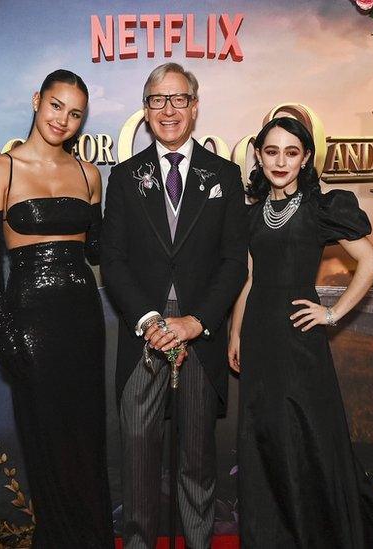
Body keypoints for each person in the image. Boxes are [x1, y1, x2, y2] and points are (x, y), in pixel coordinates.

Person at [228, 117, 373, 548]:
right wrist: (235, 332)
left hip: (299, 339)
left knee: (307, 435)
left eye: (291, 152)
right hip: (259, 336)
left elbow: (370, 262)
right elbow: (251, 278)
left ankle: (314, 534)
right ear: (258, 156)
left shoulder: (321, 207)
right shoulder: (253, 214)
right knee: (266, 437)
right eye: (272, 151)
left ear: (306, 158)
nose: (281, 161)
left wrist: (332, 314)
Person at [101, 62, 248, 549]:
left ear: (195, 106)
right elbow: (113, 261)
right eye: (158, 100)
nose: (169, 110)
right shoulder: (123, 179)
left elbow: (233, 263)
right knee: (139, 465)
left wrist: (196, 322)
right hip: (143, 338)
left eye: (178, 98)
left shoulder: (225, 175)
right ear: (146, 111)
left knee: (197, 464)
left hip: (199, 342)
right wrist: (148, 320)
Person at [0, 69, 112, 548]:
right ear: (37, 100)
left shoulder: (89, 174)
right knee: (47, 442)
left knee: (86, 439)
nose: (63, 120)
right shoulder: (0, 170)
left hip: (83, 318)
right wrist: (5, 335)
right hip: (29, 319)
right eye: (56, 106)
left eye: (75, 114)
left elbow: (98, 252)